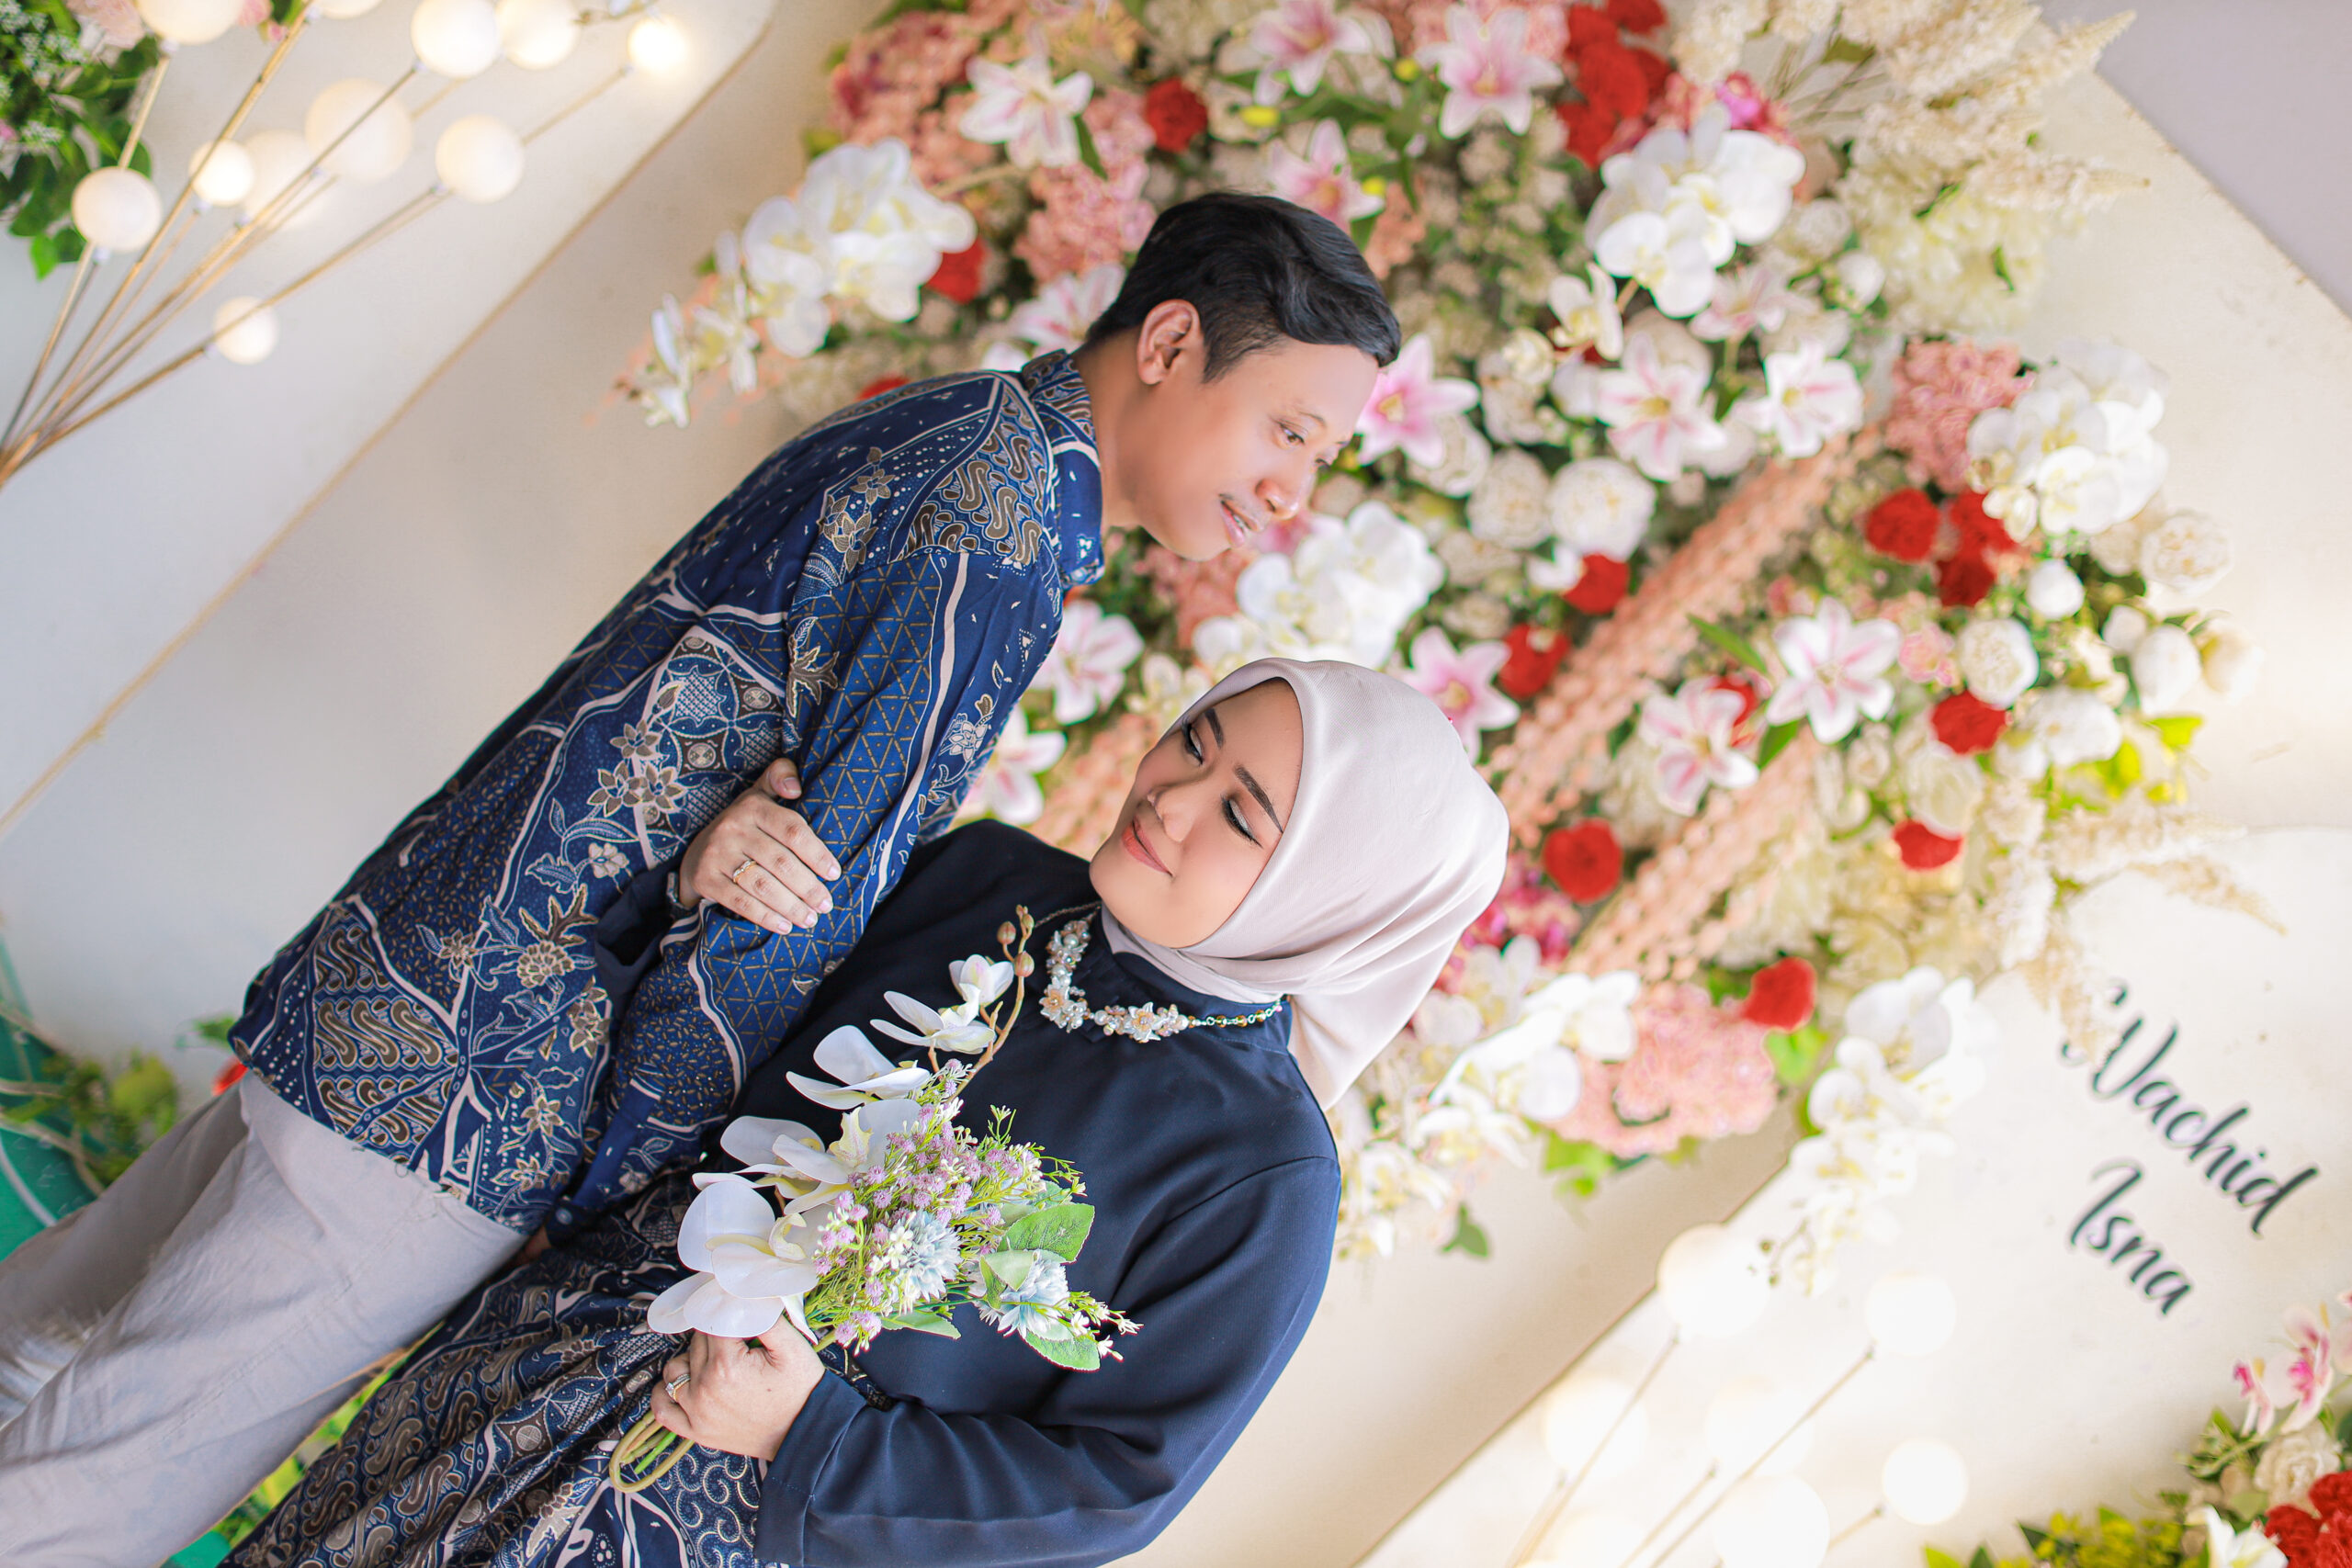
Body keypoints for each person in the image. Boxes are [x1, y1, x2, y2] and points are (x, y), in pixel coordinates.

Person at [0, 195, 1398, 1567]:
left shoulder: (952, 429)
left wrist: (687, 868)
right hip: (487, 1089)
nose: (1294, 491)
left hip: (412, 967)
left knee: (41, 1339)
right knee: (92, 1487)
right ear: (1169, 344)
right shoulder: (997, 539)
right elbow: (787, 915)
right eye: (1288, 430)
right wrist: (602, 1205)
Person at [220, 659, 1508, 1568]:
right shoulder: (991, 877)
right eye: (1197, 743)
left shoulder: (1265, 1174)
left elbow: (1119, 1484)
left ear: (1332, 899)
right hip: (540, 1365)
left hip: (727, 1529)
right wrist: (705, 870)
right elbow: (720, 1033)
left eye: (1240, 816)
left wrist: (815, 1440)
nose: (1169, 798)